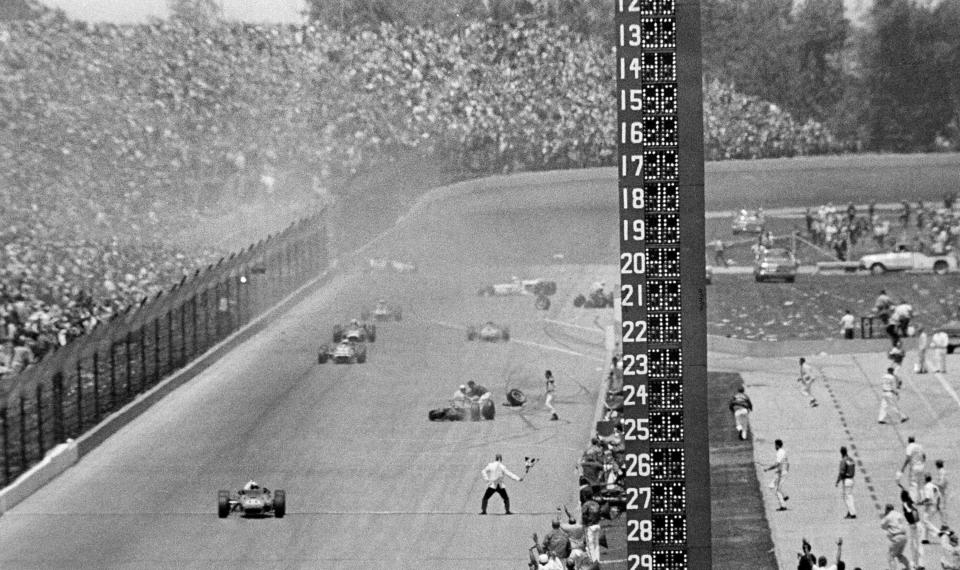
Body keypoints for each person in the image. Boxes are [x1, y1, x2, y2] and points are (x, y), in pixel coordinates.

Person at [880, 503, 912, 570]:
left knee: (890, 556)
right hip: (904, 537)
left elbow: (882, 526)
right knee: (899, 554)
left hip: (896, 538)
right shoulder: (899, 514)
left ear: (887, 510)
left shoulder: (888, 516)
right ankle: (909, 567)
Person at [900, 488, 923, 570]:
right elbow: (915, 510)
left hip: (914, 525)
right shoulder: (911, 501)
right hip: (918, 523)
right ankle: (920, 564)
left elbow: (911, 512)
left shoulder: (905, 504)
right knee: (918, 544)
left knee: (913, 545)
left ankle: (915, 565)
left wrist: (913, 522)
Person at [765, 439, 790, 511]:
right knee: (772, 487)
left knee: (776, 489)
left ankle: (783, 505)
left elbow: (777, 464)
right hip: (781, 471)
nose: (774, 446)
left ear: (777, 445)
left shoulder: (779, 453)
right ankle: (784, 496)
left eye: (775, 445)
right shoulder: (783, 451)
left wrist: (768, 469)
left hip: (782, 472)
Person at [918, 473, 943, 544]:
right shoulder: (934, 486)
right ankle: (925, 539)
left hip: (930, 506)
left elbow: (927, 498)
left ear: (925, 479)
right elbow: (939, 497)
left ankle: (939, 533)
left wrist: (921, 502)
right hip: (935, 506)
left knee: (925, 521)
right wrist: (938, 506)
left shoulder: (927, 487)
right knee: (926, 521)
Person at [836, 446, 857, 519]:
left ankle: (852, 513)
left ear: (841, 452)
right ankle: (850, 511)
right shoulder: (851, 459)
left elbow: (841, 472)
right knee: (848, 496)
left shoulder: (843, 460)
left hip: (846, 480)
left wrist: (837, 481)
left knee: (847, 497)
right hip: (851, 479)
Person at [938, 459, 950, 526]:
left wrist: (936, 485)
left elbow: (942, 483)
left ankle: (944, 522)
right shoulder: (943, 471)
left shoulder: (941, 472)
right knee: (942, 507)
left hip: (943, 492)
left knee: (942, 507)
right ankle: (944, 521)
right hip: (943, 491)